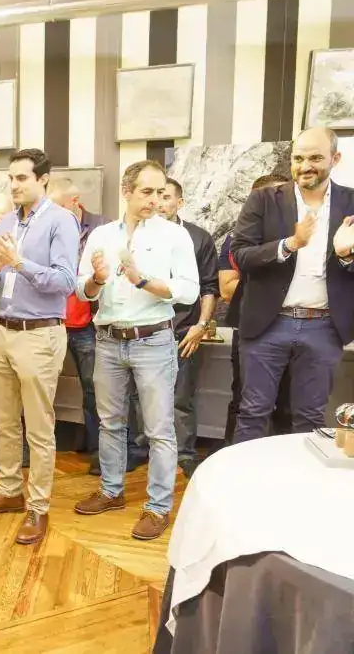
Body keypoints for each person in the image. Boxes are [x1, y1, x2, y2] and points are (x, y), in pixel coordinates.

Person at [73, 160, 198, 541]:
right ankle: (111, 491)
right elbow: (82, 291)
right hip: (108, 340)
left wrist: (143, 281)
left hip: (154, 340)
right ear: (126, 191)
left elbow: (189, 290)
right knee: (110, 422)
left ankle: (158, 507)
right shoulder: (101, 235)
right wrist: (96, 280)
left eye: (160, 192)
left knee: (159, 429)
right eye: (147, 192)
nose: (155, 200)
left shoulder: (175, 235)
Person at [0, 149, 79, 546]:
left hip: (40, 333)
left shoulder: (61, 221)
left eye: (22, 178)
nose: (13, 185)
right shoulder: (7, 221)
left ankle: (39, 507)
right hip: (2, 329)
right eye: (10, 178)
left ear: (43, 179)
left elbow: (65, 282)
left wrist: (17, 262)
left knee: (39, 427)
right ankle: (10, 490)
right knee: (4, 421)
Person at [230, 127, 354, 442]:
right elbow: (241, 254)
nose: (305, 166)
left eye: (315, 158)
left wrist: (346, 256)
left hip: (324, 327)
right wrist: (290, 244)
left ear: (335, 158)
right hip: (267, 325)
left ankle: (301, 476)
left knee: (310, 417)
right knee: (253, 412)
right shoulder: (263, 200)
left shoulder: (352, 203)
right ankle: (245, 475)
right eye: (298, 158)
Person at [148, 178, 218, 478]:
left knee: (181, 397)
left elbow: (210, 287)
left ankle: (185, 454)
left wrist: (200, 326)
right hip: (145, 329)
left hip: (183, 331)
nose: (159, 202)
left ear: (180, 202)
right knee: (140, 396)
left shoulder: (198, 238)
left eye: (166, 196)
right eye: (155, 195)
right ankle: (141, 451)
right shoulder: (140, 234)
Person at [219, 174, 291, 446]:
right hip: (251, 328)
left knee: (289, 404)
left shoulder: (305, 239)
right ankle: (232, 460)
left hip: (299, 327)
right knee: (244, 402)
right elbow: (227, 289)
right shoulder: (236, 239)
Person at [47, 177, 108, 473]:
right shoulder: (47, 227)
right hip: (53, 320)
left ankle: (100, 452)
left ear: (75, 201)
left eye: (57, 206)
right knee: (41, 387)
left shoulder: (102, 229)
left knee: (94, 390)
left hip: (87, 324)